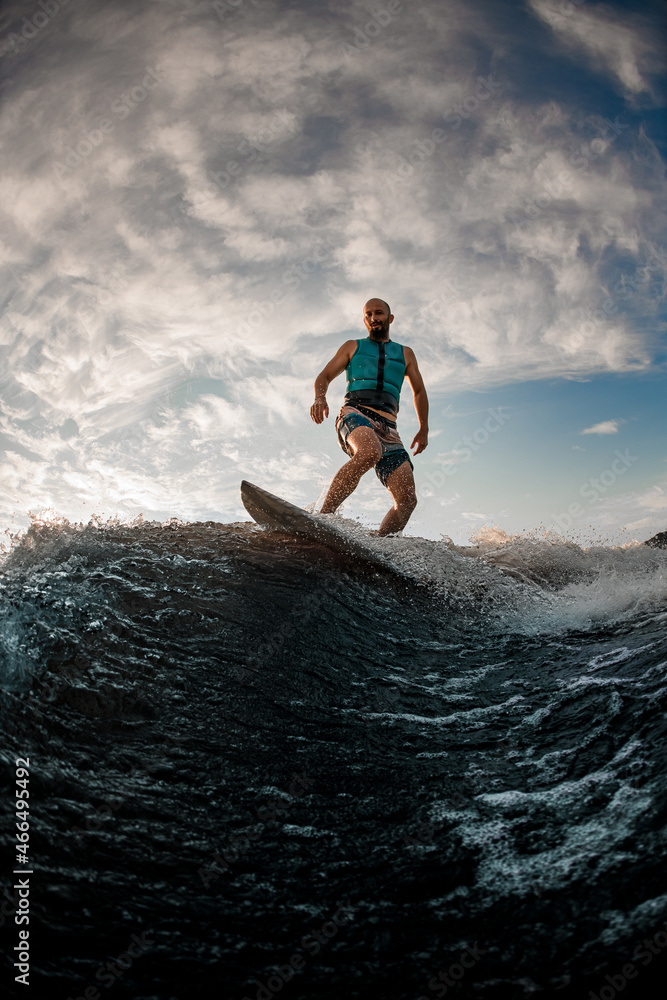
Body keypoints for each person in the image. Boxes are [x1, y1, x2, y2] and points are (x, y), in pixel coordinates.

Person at [310, 298, 429, 536]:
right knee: (369, 451)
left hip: (389, 428)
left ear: (390, 318)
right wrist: (320, 398)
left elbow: (418, 391)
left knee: (407, 500)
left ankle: (380, 543)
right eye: (368, 314)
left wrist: (423, 428)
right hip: (355, 413)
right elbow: (324, 375)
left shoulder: (405, 354)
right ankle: (323, 519)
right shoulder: (352, 346)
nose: (373, 318)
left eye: (379, 313)